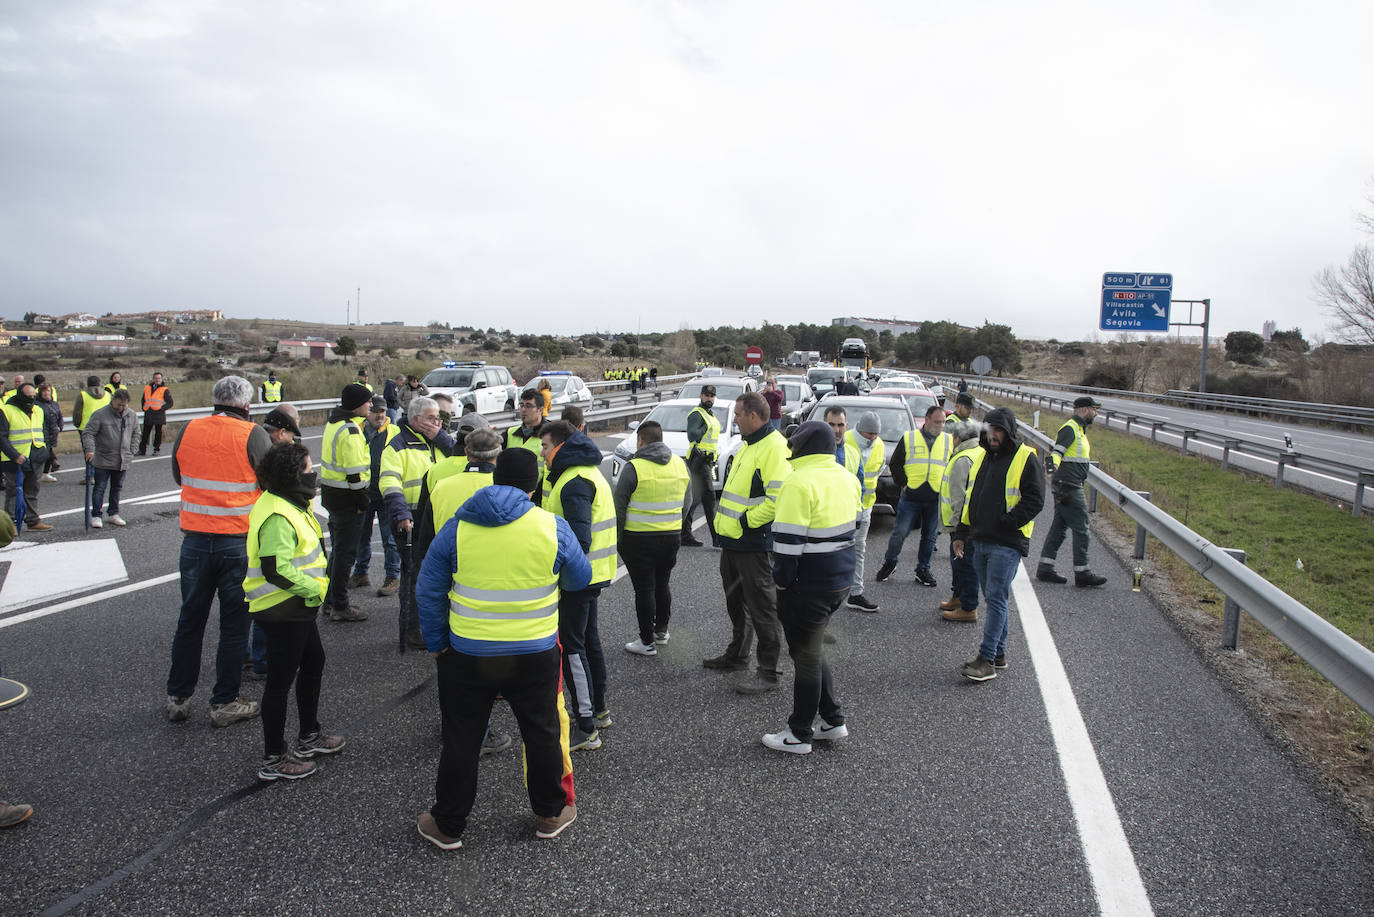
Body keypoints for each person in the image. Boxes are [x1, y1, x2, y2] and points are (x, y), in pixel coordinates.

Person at [414, 448, 590, 849]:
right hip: (534, 652)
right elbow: (581, 578)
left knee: (462, 737)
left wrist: (438, 643)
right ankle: (549, 813)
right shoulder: (552, 526)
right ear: (535, 485)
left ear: (494, 479)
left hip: (468, 654)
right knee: (541, 731)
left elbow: (428, 589)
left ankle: (448, 825)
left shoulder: (459, 527)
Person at [166, 376, 270, 727]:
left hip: (194, 540)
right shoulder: (253, 434)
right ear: (246, 404)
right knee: (234, 626)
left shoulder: (189, 429)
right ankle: (224, 701)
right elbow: (269, 481)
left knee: (190, 620)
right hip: (236, 541)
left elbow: (179, 475)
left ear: (215, 399)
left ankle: (178, 697)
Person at [243, 441, 345, 781]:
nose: (311, 472)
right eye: (307, 467)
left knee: (313, 662)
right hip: (281, 607)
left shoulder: (288, 502)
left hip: (296, 607)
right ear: (291, 474)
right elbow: (275, 569)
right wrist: (316, 589)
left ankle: (309, 735)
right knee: (279, 682)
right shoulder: (276, 513)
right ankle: (274, 757)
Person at [761, 420, 862, 754]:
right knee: (813, 652)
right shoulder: (847, 478)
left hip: (807, 585)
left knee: (805, 657)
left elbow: (788, 544)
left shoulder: (798, 483)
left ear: (801, 447)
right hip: (839, 581)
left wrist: (781, 582)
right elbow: (856, 525)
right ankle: (832, 720)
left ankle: (799, 732)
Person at [705, 392, 792, 693]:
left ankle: (769, 673)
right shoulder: (749, 444)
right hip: (733, 541)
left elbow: (777, 500)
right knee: (736, 603)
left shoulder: (774, 448)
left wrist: (745, 523)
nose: (736, 420)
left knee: (762, 608)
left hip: (753, 543)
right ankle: (738, 655)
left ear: (754, 416)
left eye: (739, 415)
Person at [951, 407, 1045, 682]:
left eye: (999, 430)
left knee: (995, 598)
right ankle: (999, 653)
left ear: (1009, 432)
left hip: (1006, 541)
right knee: (994, 599)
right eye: (990, 430)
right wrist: (961, 533)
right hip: (979, 539)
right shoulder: (982, 458)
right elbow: (971, 498)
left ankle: (987, 658)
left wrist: (1007, 522)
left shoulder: (1026, 458)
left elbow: (1035, 500)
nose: (993, 435)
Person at [540, 420, 617, 750]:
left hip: (578, 577)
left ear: (559, 446)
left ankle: (585, 726)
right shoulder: (585, 471)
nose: (541, 453)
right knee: (588, 641)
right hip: (590, 574)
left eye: (544, 446)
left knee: (572, 648)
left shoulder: (574, 481)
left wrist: (558, 570)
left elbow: (579, 538)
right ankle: (599, 711)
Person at [382, 395, 454, 651]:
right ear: (415, 420)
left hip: (434, 515)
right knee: (414, 576)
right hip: (410, 518)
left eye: (439, 418)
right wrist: (402, 514)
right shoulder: (397, 446)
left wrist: (440, 437)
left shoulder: (438, 442)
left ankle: (433, 626)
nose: (437, 423)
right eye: (432, 418)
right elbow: (389, 483)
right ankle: (411, 630)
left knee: (435, 575)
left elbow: (460, 454)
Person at [614, 420, 687, 657]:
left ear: (640, 441)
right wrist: (677, 526)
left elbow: (620, 505)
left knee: (644, 588)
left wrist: (618, 537)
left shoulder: (634, 467)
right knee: (662, 583)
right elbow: (688, 501)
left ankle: (646, 641)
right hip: (671, 536)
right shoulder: (679, 464)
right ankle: (661, 632)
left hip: (639, 538)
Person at [876, 404, 951, 588]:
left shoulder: (949, 441)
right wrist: (904, 483)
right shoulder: (909, 438)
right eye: (937, 421)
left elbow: (952, 467)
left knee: (929, 536)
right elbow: (895, 463)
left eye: (943, 422)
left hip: (935, 497)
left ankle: (923, 569)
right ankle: (890, 562)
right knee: (900, 532)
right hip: (911, 496)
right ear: (926, 420)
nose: (940, 425)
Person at [1037, 396, 1108, 588]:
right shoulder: (1070, 429)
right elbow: (1055, 455)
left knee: (1059, 528)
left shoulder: (1079, 430)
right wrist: (1053, 479)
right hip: (1069, 486)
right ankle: (1083, 573)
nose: (1097, 413)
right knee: (1082, 528)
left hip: (1068, 484)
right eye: (1094, 409)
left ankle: (1045, 568)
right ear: (1085, 410)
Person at [319, 383, 373, 623]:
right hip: (348, 499)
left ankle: (331, 600)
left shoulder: (334, 424)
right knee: (345, 555)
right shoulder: (350, 430)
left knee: (338, 552)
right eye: (367, 401)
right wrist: (363, 501)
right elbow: (354, 474)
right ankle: (340, 604)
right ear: (356, 404)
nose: (370, 405)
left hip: (333, 495)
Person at [351, 397, 401, 597]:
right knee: (362, 536)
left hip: (386, 493)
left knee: (389, 538)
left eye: (383, 411)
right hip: (364, 492)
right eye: (376, 411)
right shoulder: (357, 431)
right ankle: (361, 573)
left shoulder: (394, 432)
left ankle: (392, 576)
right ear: (368, 412)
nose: (380, 415)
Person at [938, 419, 985, 622]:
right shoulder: (980, 453)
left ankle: (969, 607)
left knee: (965, 564)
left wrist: (959, 529)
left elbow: (959, 497)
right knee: (959, 563)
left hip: (962, 524)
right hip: (974, 520)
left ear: (958, 438)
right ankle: (958, 597)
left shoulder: (962, 459)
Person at [840, 410, 885, 612]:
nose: (873, 439)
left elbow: (878, 471)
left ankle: (856, 593)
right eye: (869, 435)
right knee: (835, 549)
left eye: (875, 435)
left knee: (859, 549)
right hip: (842, 507)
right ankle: (828, 590)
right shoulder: (845, 440)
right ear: (860, 431)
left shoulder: (880, 445)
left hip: (865, 506)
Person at [0, 382, 53, 531]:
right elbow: (1, 437)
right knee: (13, 493)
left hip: (36, 457)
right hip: (14, 460)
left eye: (33, 396)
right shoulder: (6, 410)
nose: (31, 399)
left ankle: (33, 521)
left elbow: (44, 432)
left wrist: (45, 451)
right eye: (28, 396)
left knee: (32, 491)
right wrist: (14, 455)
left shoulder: (38, 410)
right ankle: (10, 526)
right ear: (20, 395)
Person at [80, 387, 135, 527]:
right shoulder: (100, 414)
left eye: (124, 405)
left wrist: (132, 450)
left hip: (122, 459)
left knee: (117, 488)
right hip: (103, 459)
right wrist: (90, 449)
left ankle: (114, 513)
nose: (121, 408)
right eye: (119, 404)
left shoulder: (131, 415)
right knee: (100, 488)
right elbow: (88, 433)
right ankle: (96, 515)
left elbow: (136, 433)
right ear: (113, 400)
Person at [680, 385, 719, 547]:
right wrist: (704, 427)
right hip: (699, 461)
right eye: (706, 395)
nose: (709, 398)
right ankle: (717, 539)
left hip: (707, 462)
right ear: (701, 396)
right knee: (709, 498)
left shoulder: (710, 414)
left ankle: (684, 534)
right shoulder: (697, 414)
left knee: (694, 499)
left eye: (712, 395)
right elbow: (692, 435)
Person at [504, 389, 546, 502]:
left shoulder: (550, 435)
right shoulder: (510, 433)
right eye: (521, 405)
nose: (523, 409)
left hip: (537, 499)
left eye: (528, 406)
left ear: (540, 410)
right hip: (510, 497)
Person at [137, 371, 173, 456]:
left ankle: (156, 449)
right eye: (156, 378)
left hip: (158, 414)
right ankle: (142, 450)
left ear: (161, 379)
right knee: (145, 433)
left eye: (159, 378)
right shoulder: (147, 388)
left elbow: (170, 403)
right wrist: (144, 408)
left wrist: (161, 409)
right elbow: (143, 399)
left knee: (158, 433)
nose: (157, 380)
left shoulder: (165, 390)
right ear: (153, 379)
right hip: (149, 413)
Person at [35, 382, 63, 481]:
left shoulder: (54, 404)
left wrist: (60, 426)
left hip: (53, 432)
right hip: (42, 432)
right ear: (40, 392)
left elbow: (59, 416)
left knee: (49, 450)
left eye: (49, 391)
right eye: (45, 391)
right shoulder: (37, 404)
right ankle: (53, 461)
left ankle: (45, 472)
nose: (47, 393)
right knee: (45, 452)